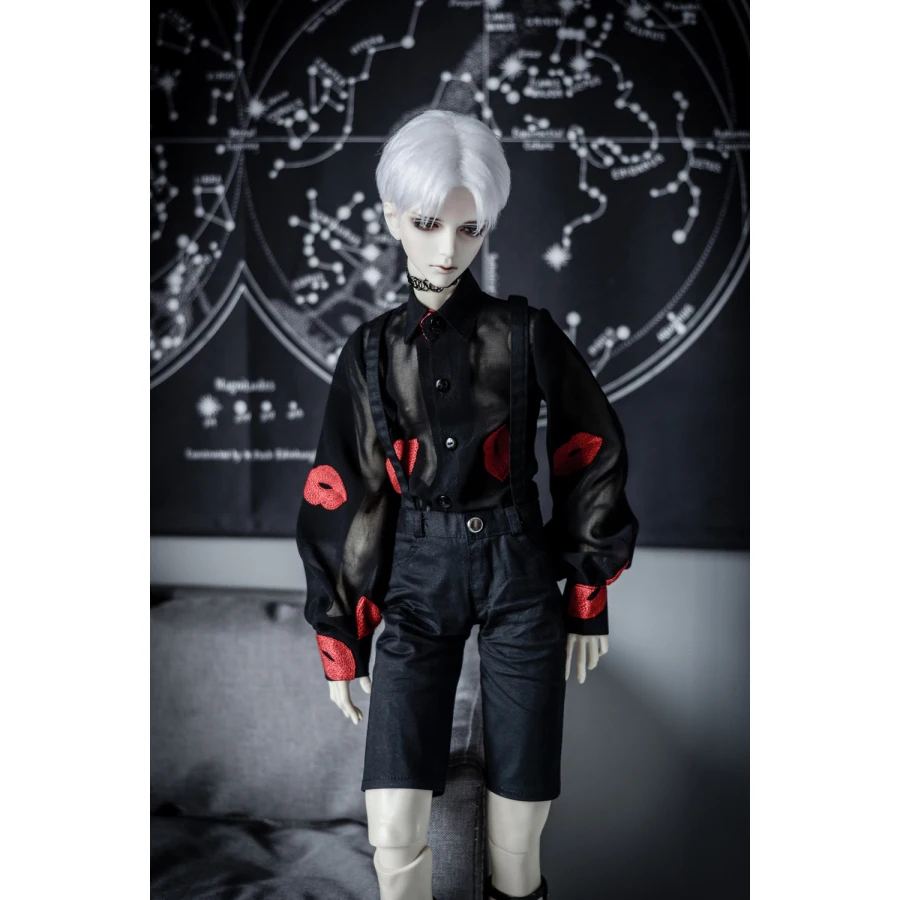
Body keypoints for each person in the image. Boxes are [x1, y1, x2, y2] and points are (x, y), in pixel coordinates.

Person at [295, 109, 639, 900]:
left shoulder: (524, 332)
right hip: (417, 578)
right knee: (391, 832)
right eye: (427, 224)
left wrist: (587, 592)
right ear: (392, 218)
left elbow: (590, 443)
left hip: (520, 574)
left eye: (469, 228)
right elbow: (347, 484)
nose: (448, 248)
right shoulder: (370, 351)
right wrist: (341, 631)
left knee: (517, 841)